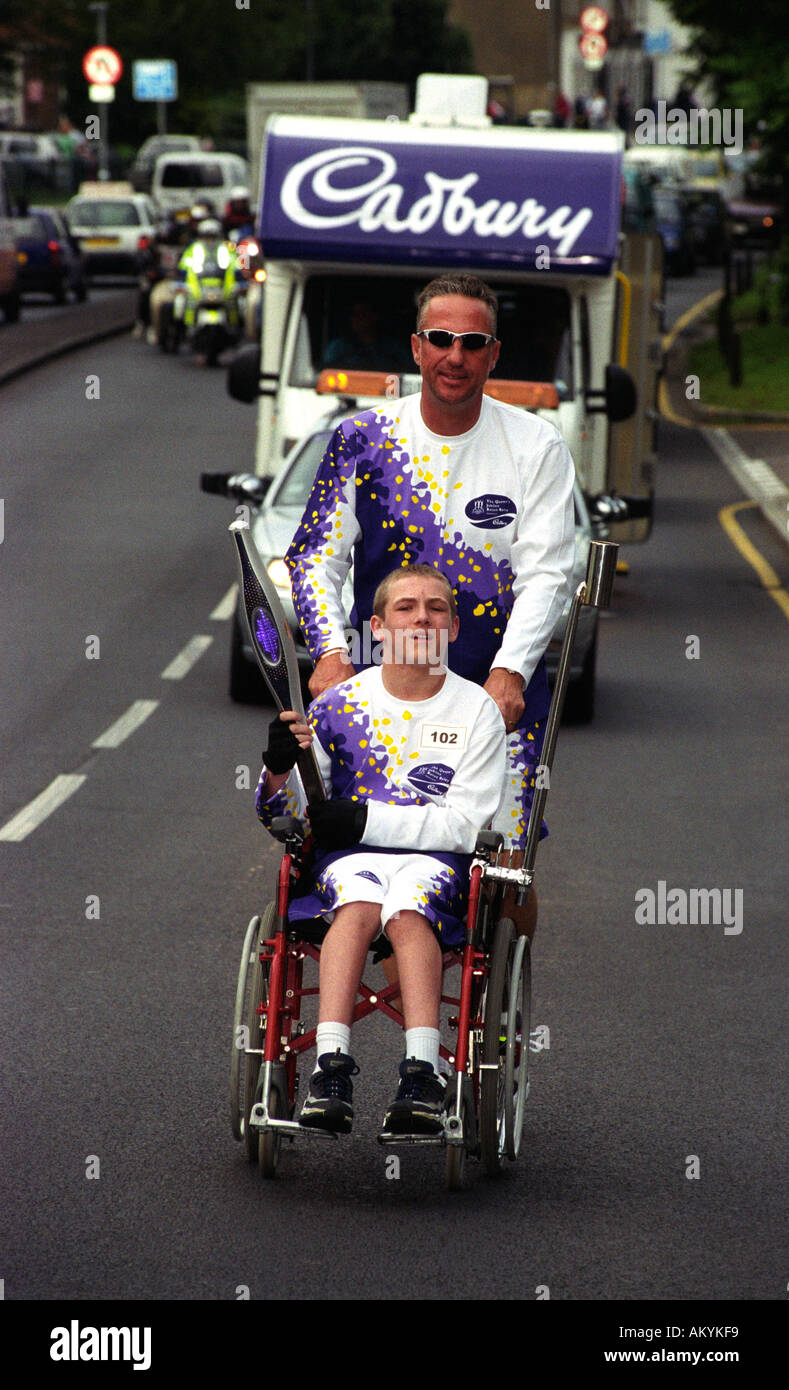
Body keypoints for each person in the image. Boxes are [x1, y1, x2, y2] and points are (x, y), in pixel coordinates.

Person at [285, 272, 576, 947]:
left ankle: (491, 1031)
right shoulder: (361, 440)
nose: (455, 355)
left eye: (472, 343)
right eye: (441, 340)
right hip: (380, 698)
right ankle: (401, 1023)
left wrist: (509, 672)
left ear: (492, 354)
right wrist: (329, 653)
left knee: (502, 871)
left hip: (491, 695)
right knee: (372, 863)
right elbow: (313, 558)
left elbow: (547, 574)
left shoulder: (535, 446)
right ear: (416, 348)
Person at [256, 564, 506, 1135]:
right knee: (360, 902)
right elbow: (284, 818)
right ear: (378, 625)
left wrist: (365, 817)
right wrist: (273, 772)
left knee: (409, 904)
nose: (422, 616)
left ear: (454, 626)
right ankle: (330, 1067)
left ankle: (421, 1072)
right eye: (406, 607)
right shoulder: (339, 708)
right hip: (351, 860)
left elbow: (465, 826)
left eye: (436, 607)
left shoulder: (477, 713)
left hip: (437, 864)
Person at [322, 298, 412, 374]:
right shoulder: (339, 347)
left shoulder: (392, 347)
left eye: (362, 314)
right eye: (354, 314)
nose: (356, 319)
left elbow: (408, 370)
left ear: (374, 317)